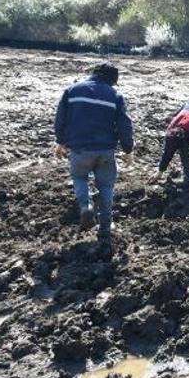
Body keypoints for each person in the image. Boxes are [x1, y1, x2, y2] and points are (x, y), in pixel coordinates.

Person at [54, 62, 133, 249]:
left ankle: (86, 206)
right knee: (106, 187)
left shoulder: (72, 90)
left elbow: (60, 118)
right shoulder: (115, 96)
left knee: (79, 177)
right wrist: (128, 150)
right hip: (105, 150)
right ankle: (105, 229)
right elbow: (124, 125)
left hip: (79, 149)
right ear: (113, 81)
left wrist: (60, 141)